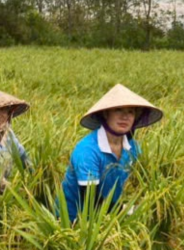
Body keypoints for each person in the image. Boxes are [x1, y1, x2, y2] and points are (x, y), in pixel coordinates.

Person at [61, 84, 163, 221]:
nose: (125, 117)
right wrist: (129, 210)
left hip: (111, 215)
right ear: (105, 113)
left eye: (131, 112)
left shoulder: (133, 148)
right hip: (74, 219)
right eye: (118, 110)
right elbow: (91, 202)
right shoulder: (87, 151)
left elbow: (139, 184)